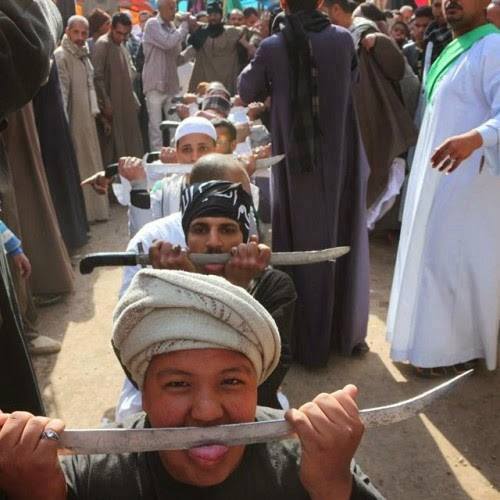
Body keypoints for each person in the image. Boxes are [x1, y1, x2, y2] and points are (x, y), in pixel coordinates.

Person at [0, 270, 384, 499]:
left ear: (257, 386)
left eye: (231, 381)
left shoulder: (312, 458)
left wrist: (331, 486)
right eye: (178, 384)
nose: (206, 412)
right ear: (143, 393)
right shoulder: (91, 476)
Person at [239, 0, 370, 366]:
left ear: (283, 4)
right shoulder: (343, 40)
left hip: (296, 163)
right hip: (339, 157)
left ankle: (305, 342)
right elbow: (353, 81)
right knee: (339, 238)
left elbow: (247, 89)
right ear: (321, 3)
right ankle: (339, 334)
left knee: (300, 246)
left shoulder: (273, 46)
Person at [116, 164, 295, 417]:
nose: (213, 242)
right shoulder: (155, 284)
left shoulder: (274, 286)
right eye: (200, 229)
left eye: (227, 229)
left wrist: (236, 290)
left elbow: (263, 383)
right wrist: (180, 285)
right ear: (186, 239)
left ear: (245, 238)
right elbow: (140, 377)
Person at [386, 0, 500, 374]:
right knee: (435, 257)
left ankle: (444, 354)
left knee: (449, 262)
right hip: (438, 175)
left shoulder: (492, 47)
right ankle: (440, 348)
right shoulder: (454, 49)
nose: (451, 1)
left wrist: (476, 138)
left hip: (471, 178)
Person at [54, 15, 109, 223]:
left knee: (91, 163)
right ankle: (83, 214)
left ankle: (96, 211)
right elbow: (62, 92)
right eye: (76, 32)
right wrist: (64, 124)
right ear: (67, 31)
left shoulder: (84, 55)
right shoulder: (61, 55)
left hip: (88, 120)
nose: (80, 37)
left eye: (84, 33)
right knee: (79, 165)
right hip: (74, 121)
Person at [92, 12, 144, 165]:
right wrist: (106, 103)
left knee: (130, 143)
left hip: (125, 102)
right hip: (112, 105)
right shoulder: (103, 44)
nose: (121, 37)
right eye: (119, 33)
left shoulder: (121, 45)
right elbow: (97, 77)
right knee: (113, 148)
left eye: (125, 34)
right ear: (111, 28)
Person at [142, 0, 192, 150]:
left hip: (171, 84)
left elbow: (177, 58)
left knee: (175, 125)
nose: (174, 11)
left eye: (174, 7)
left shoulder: (172, 27)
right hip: (154, 85)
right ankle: (157, 158)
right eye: (171, 7)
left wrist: (193, 49)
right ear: (160, 8)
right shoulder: (152, 24)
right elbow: (168, 43)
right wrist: (185, 25)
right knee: (156, 128)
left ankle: (175, 156)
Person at [188, 1, 253, 94]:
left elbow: (250, 42)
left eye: (216, 14)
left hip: (226, 85)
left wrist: (251, 49)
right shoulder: (201, 34)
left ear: (221, 15)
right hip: (205, 85)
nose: (213, 17)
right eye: (210, 14)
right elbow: (189, 52)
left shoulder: (232, 33)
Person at [403, 7, 434, 79]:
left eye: (425, 26)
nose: (421, 30)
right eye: (417, 26)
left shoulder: (439, 48)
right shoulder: (407, 50)